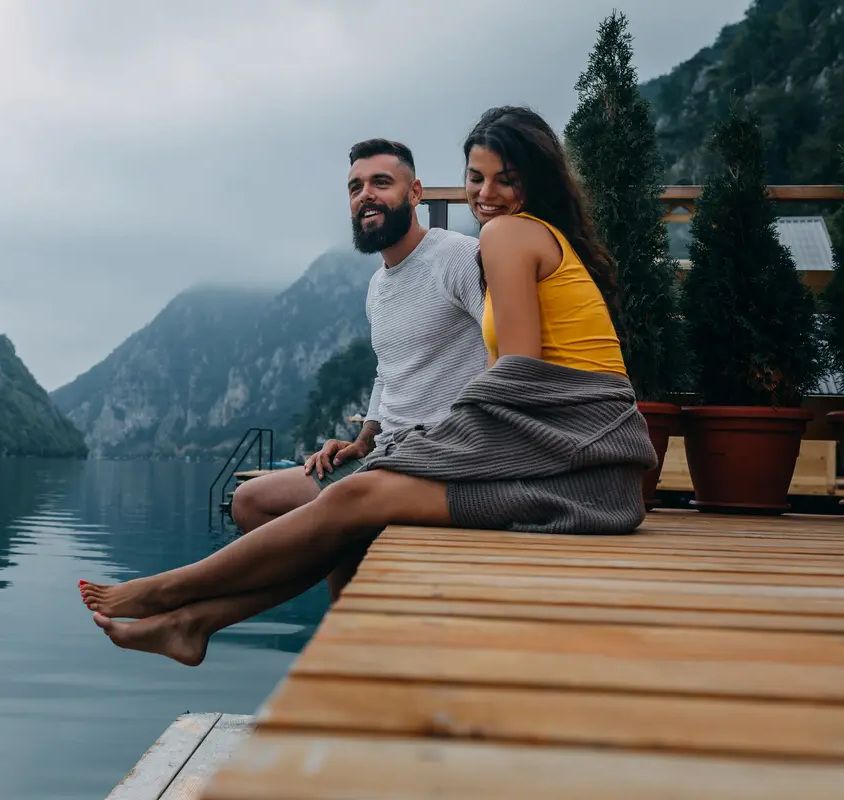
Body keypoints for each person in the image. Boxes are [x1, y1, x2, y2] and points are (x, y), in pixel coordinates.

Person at [79, 106, 657, 667]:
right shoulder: (401, 279)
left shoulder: (482, 246)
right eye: (476, 178)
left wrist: (434, 446)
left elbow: (518, 373)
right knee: (282, 500)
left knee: (349, 504)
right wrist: (367, 437)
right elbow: (408, 368)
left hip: (564, 458)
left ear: (416, 193)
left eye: (505, 179)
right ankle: (194, 623)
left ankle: (168, 598)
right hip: (570, 453)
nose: (485, 193)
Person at [230, 138, 487, 599]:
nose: (365, 194)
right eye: (355, 187)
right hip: (380, 457)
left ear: (415, 194)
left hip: (437, 466)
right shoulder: (377, 287)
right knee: (250, 502)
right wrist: (362, 440)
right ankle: (348, 602)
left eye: (381, 183)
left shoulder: (459, 257)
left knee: (336, 533)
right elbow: (386, 373)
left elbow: (504, 351)